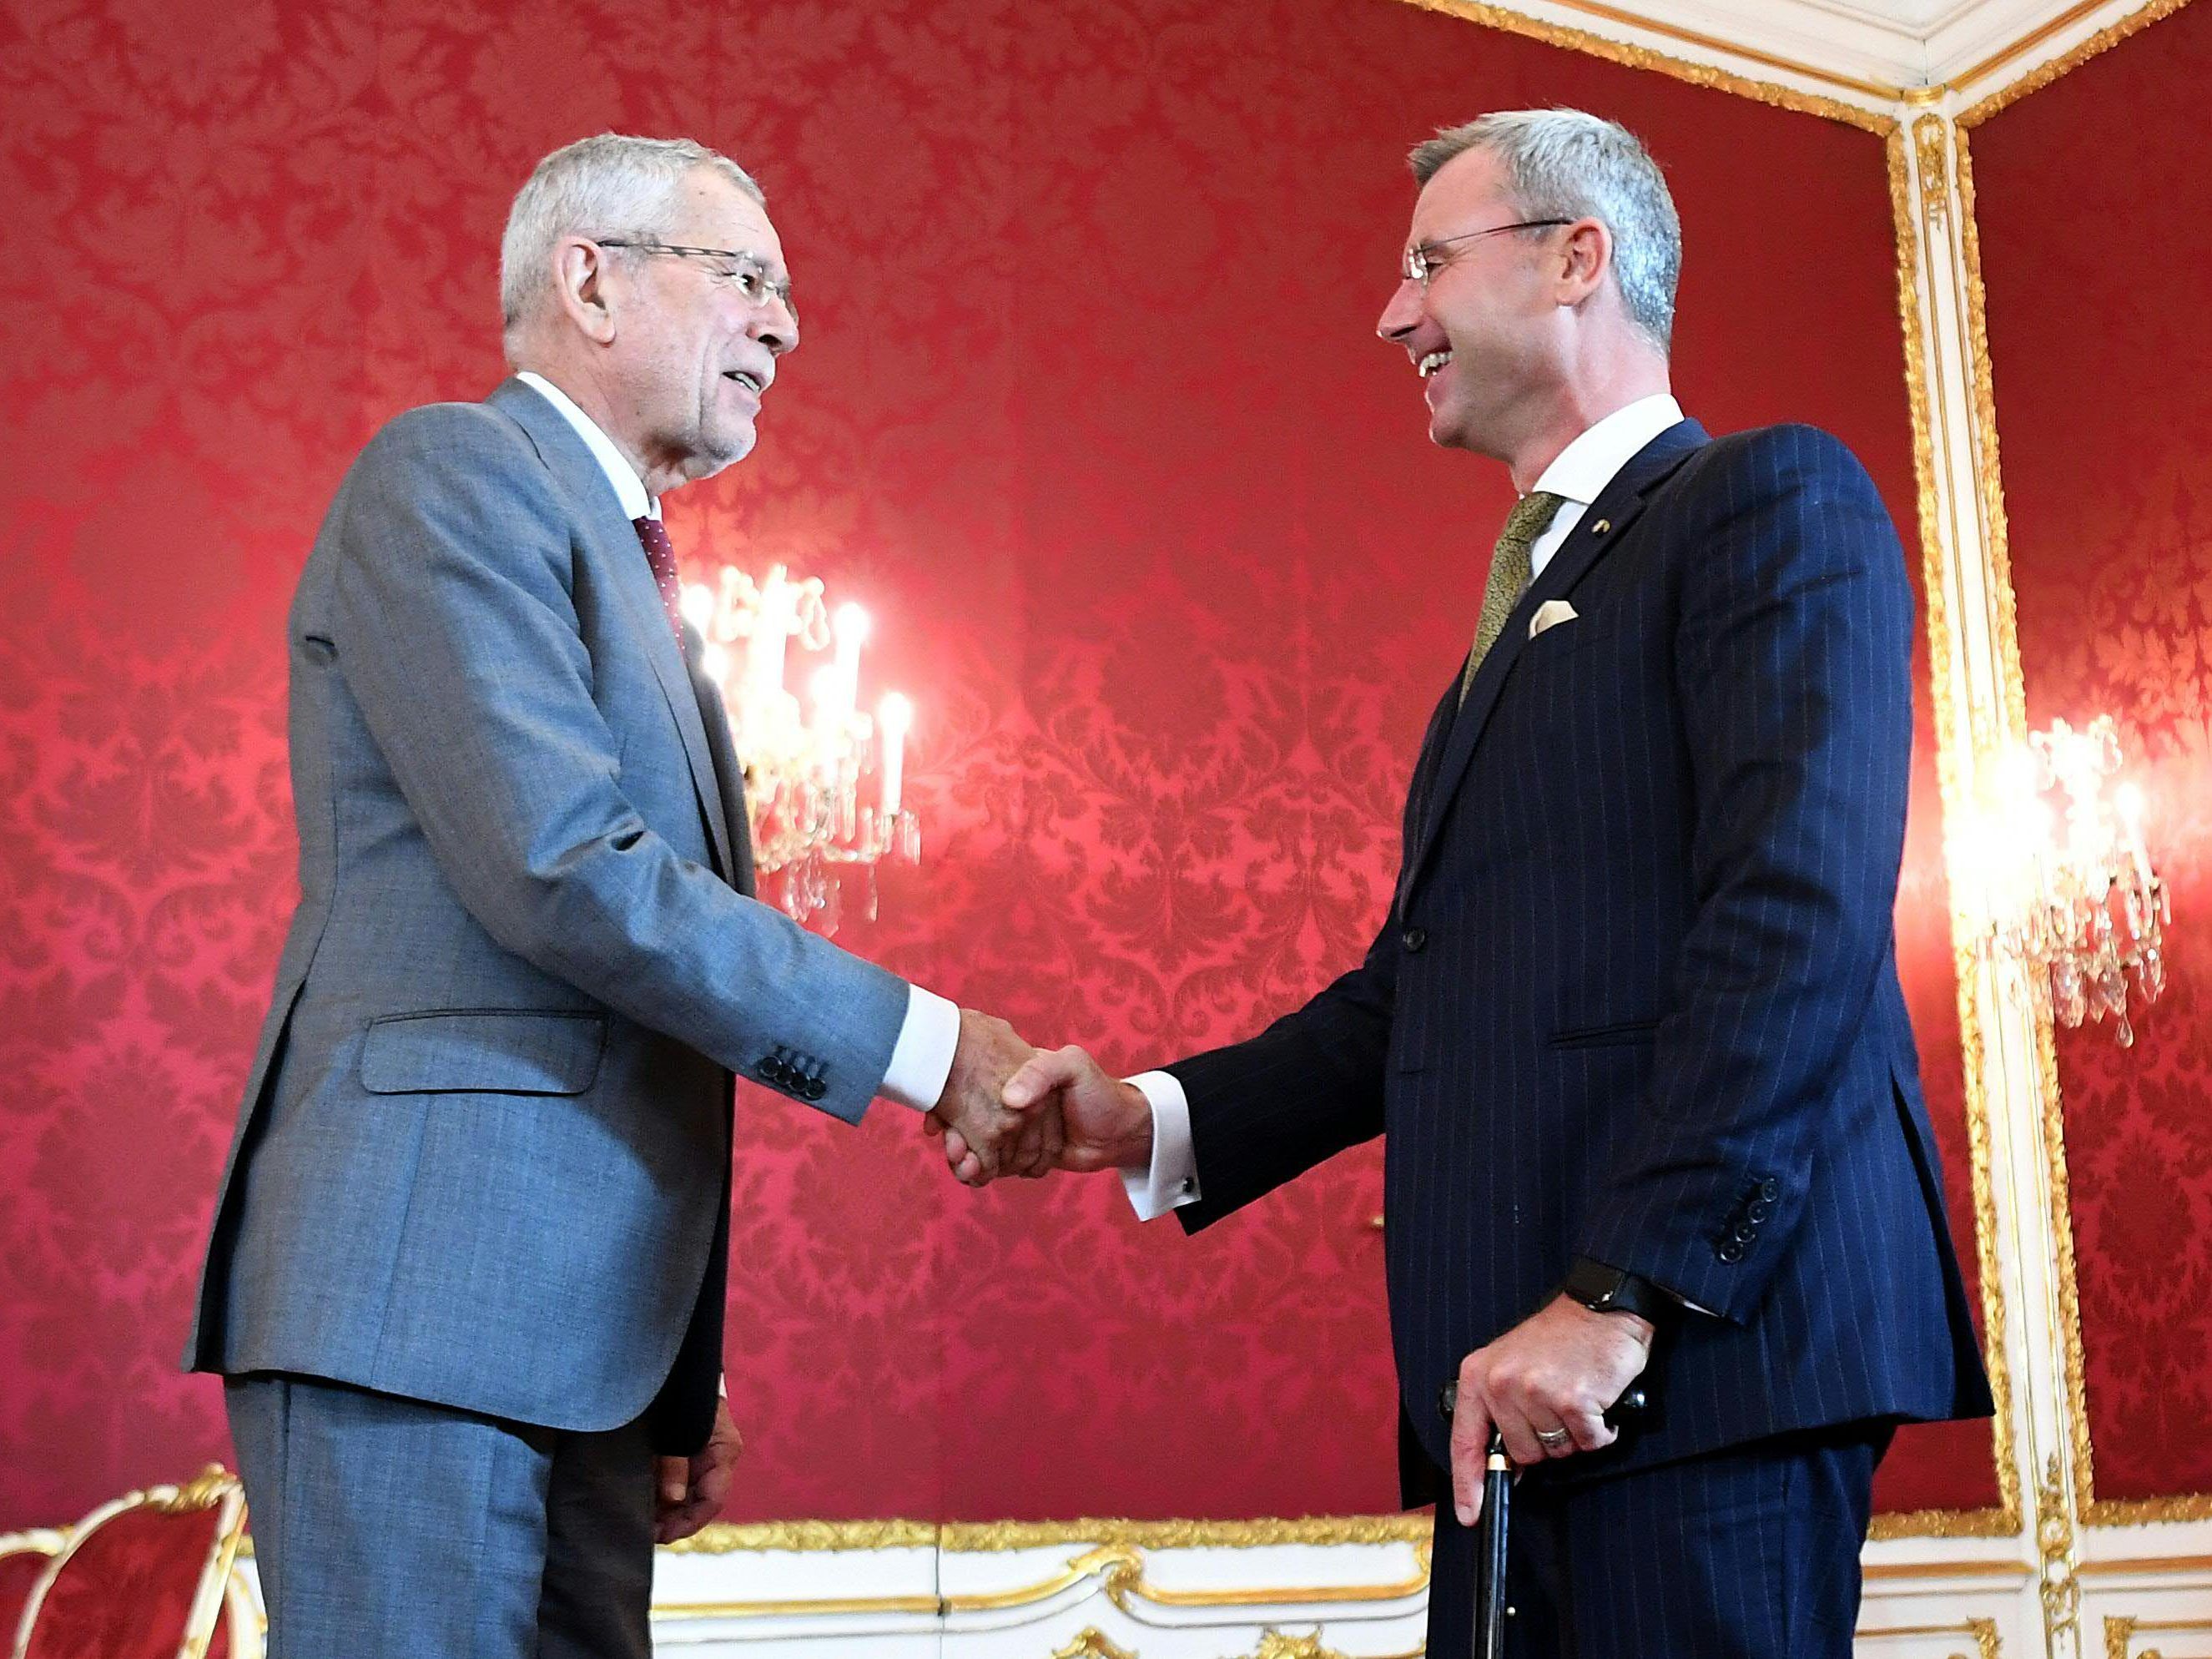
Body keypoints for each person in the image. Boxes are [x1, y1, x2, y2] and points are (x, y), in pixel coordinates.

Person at [940, 108, 1993, 1657]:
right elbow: (1412, 994)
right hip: (1507, 1391)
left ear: (1580, 259)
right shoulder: (1527, 612)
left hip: (1693, 1361)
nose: (1393, 311)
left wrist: (1624, 1295)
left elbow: (1798, 918)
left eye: (1433, 259)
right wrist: (1148, 1119)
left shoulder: (1769, 500)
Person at [182, 134, 1050, 1659]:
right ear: (589, 280)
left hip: (588, 1357)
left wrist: (677, 1364)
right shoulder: (451, 473)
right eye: (748, 281)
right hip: (419, 1319)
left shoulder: (634, 572)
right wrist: (937, 1051)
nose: (785, 328)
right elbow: (569, 874)